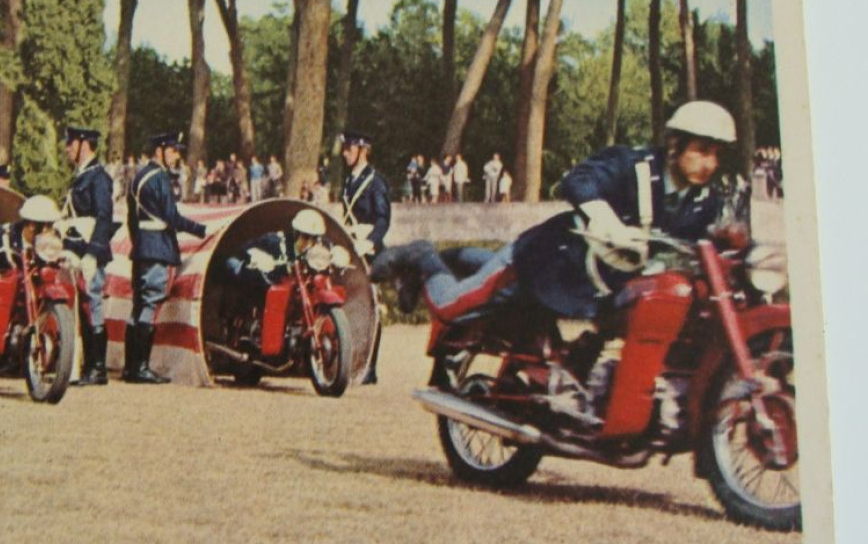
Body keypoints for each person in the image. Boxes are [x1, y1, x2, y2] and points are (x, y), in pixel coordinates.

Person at [373, 101, 737, 335]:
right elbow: (577, 181)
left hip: (594, 292)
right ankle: (424, 257)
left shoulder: (702, 202)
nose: (711, 163)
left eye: (717, 154)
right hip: (547, 263)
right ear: (675, 146)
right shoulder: (633, 165)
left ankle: (459, 256)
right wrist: (607, 222)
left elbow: (699, 247)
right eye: (702, 150)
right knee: (451, 308)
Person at [125, 131, 208, 384]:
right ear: (160, 150)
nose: (176, 156)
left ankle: (132, 367)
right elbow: (172, 217)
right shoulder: (159, 179)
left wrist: (140, 242)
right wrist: (200, 230)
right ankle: (140, 368)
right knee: (149, 306)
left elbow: (132, 220)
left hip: (142, 247)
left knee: (139, 306)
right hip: (158, 248)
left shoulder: (138, 177)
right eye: (173, 151)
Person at [62, 126, 115, 386]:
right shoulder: (81, 176)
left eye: (71, 143)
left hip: (90, 249)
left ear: (84, 144)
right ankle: (85, 364)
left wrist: (93, 253)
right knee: (82, 304)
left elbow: (104, 217)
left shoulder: (99, 177)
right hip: (76, 247)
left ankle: (97, 368)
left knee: (93, 302)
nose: (67, 148)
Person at [338, 131, 392, 383]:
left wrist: (369, 243)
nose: (344, 153)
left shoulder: (375, 181)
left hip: (369, 251)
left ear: (362, 150)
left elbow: (383, 219)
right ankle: (353, 360)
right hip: (352, 247)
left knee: (373, 308)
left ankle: (370, 366)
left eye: (348, 148)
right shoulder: (349, 180)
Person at [219, 207, 330, 322]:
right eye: (306, 237)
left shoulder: (313, 249)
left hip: (278, 277)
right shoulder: (275, 242)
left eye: (314, 238)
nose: (309, 243)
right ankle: (239, 317)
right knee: (250, 277)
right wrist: (262, 260)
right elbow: (246, 249)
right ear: (296, 233)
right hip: (245, 264)